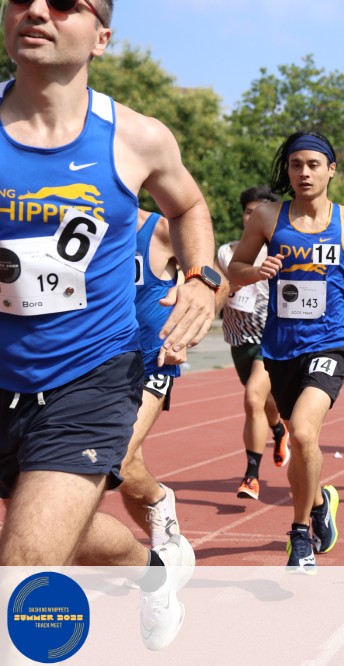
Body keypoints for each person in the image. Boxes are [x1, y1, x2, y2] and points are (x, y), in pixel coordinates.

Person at [0, 0, 217, 649]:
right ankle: (155, 573)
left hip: (88, 379)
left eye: (65, 1)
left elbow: (189, 205)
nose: (37, 9)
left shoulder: (137, 138)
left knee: (22, 568)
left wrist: (203, 277)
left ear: (101, 37)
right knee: (47, 526)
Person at [227, 131, 344, 573]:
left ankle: (300, 536)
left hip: (331, 342)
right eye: (296, 164)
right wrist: (255, 270)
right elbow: (235, 269)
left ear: (331, 170)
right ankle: (320, 501)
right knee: (302, 448)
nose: (304, 172)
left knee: (302, 433)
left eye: (313, 165)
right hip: (281, 347)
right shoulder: (267, 216)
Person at [118, 210, 196, 549]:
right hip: (98, 363)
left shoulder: (161, 229)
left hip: (153, 362)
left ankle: (158, 503)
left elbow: (216, 282)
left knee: (117, 458)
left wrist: (185, 332)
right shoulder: (81, 227)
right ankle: (163, 536)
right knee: (127, 466)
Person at [216, 185, 291, 501]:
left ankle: (251, 476)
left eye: (259, 212)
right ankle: (278, 430)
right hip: (238, 339)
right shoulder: (226, 252)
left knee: (252, 398)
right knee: (265, 400)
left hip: (271, 337)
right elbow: (218, 288)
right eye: (248, 212)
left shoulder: (281, 252)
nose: (252, 217)